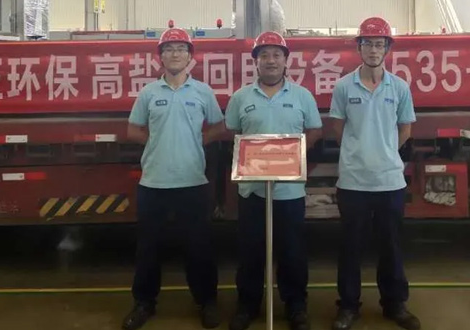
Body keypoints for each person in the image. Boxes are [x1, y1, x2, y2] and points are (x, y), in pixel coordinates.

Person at [122, 27, 226, 330]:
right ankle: (144, 303)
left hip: (193, 183)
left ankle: (206, 301)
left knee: (199, 248)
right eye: (168, 49)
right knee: (148, 249)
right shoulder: (149, 93)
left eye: (181, 49)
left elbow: (220, 127)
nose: (175, 54)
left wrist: (196, 141)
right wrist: (159, 142)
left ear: (190, 56)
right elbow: (133, 130)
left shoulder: (202, 92)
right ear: (161, 57)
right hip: (153, 184)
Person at [225, 31, 323, 330]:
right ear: (255, 62)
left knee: (292, 252)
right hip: (252, 192)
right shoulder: (241, 97)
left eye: (276, 55)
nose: (271, 61)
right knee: (250, 251)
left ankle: (296, 306)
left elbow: (314, 130)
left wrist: (292, 156)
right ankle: (247, 305)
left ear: (285, 61)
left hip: (290, 192)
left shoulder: (302, 96)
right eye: (264, 55)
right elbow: (233, 133)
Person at [329, 17, 420, 330]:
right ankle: (348, 307)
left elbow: (405, 129)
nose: (373, 49)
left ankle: (394, 305)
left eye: (379, 44)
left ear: (387, 49)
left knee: (390, 247)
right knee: (350, 248)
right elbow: (338, 129)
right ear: (359, 47)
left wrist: (383, 151)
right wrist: (361, 152)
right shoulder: (344, 87)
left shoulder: (399, 88)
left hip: (389, 182)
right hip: (353, 182)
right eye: (367, 43)